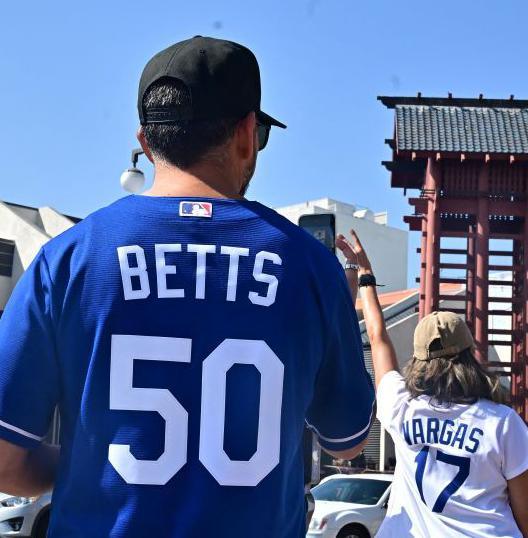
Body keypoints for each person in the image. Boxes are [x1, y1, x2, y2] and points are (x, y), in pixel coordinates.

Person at [0, 36, 374, 536]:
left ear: (145, 140)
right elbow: (346, 440)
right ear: (246, 133)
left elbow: (5, 460)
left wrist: (88, 465)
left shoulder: (67, 261)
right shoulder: (309, 267)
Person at [336, 231, 528, 538]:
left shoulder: (401, 404)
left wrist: (364, 276)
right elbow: (526, 512)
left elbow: (378, 340)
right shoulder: (501, 422)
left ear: (419, 359)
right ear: (469, 354)